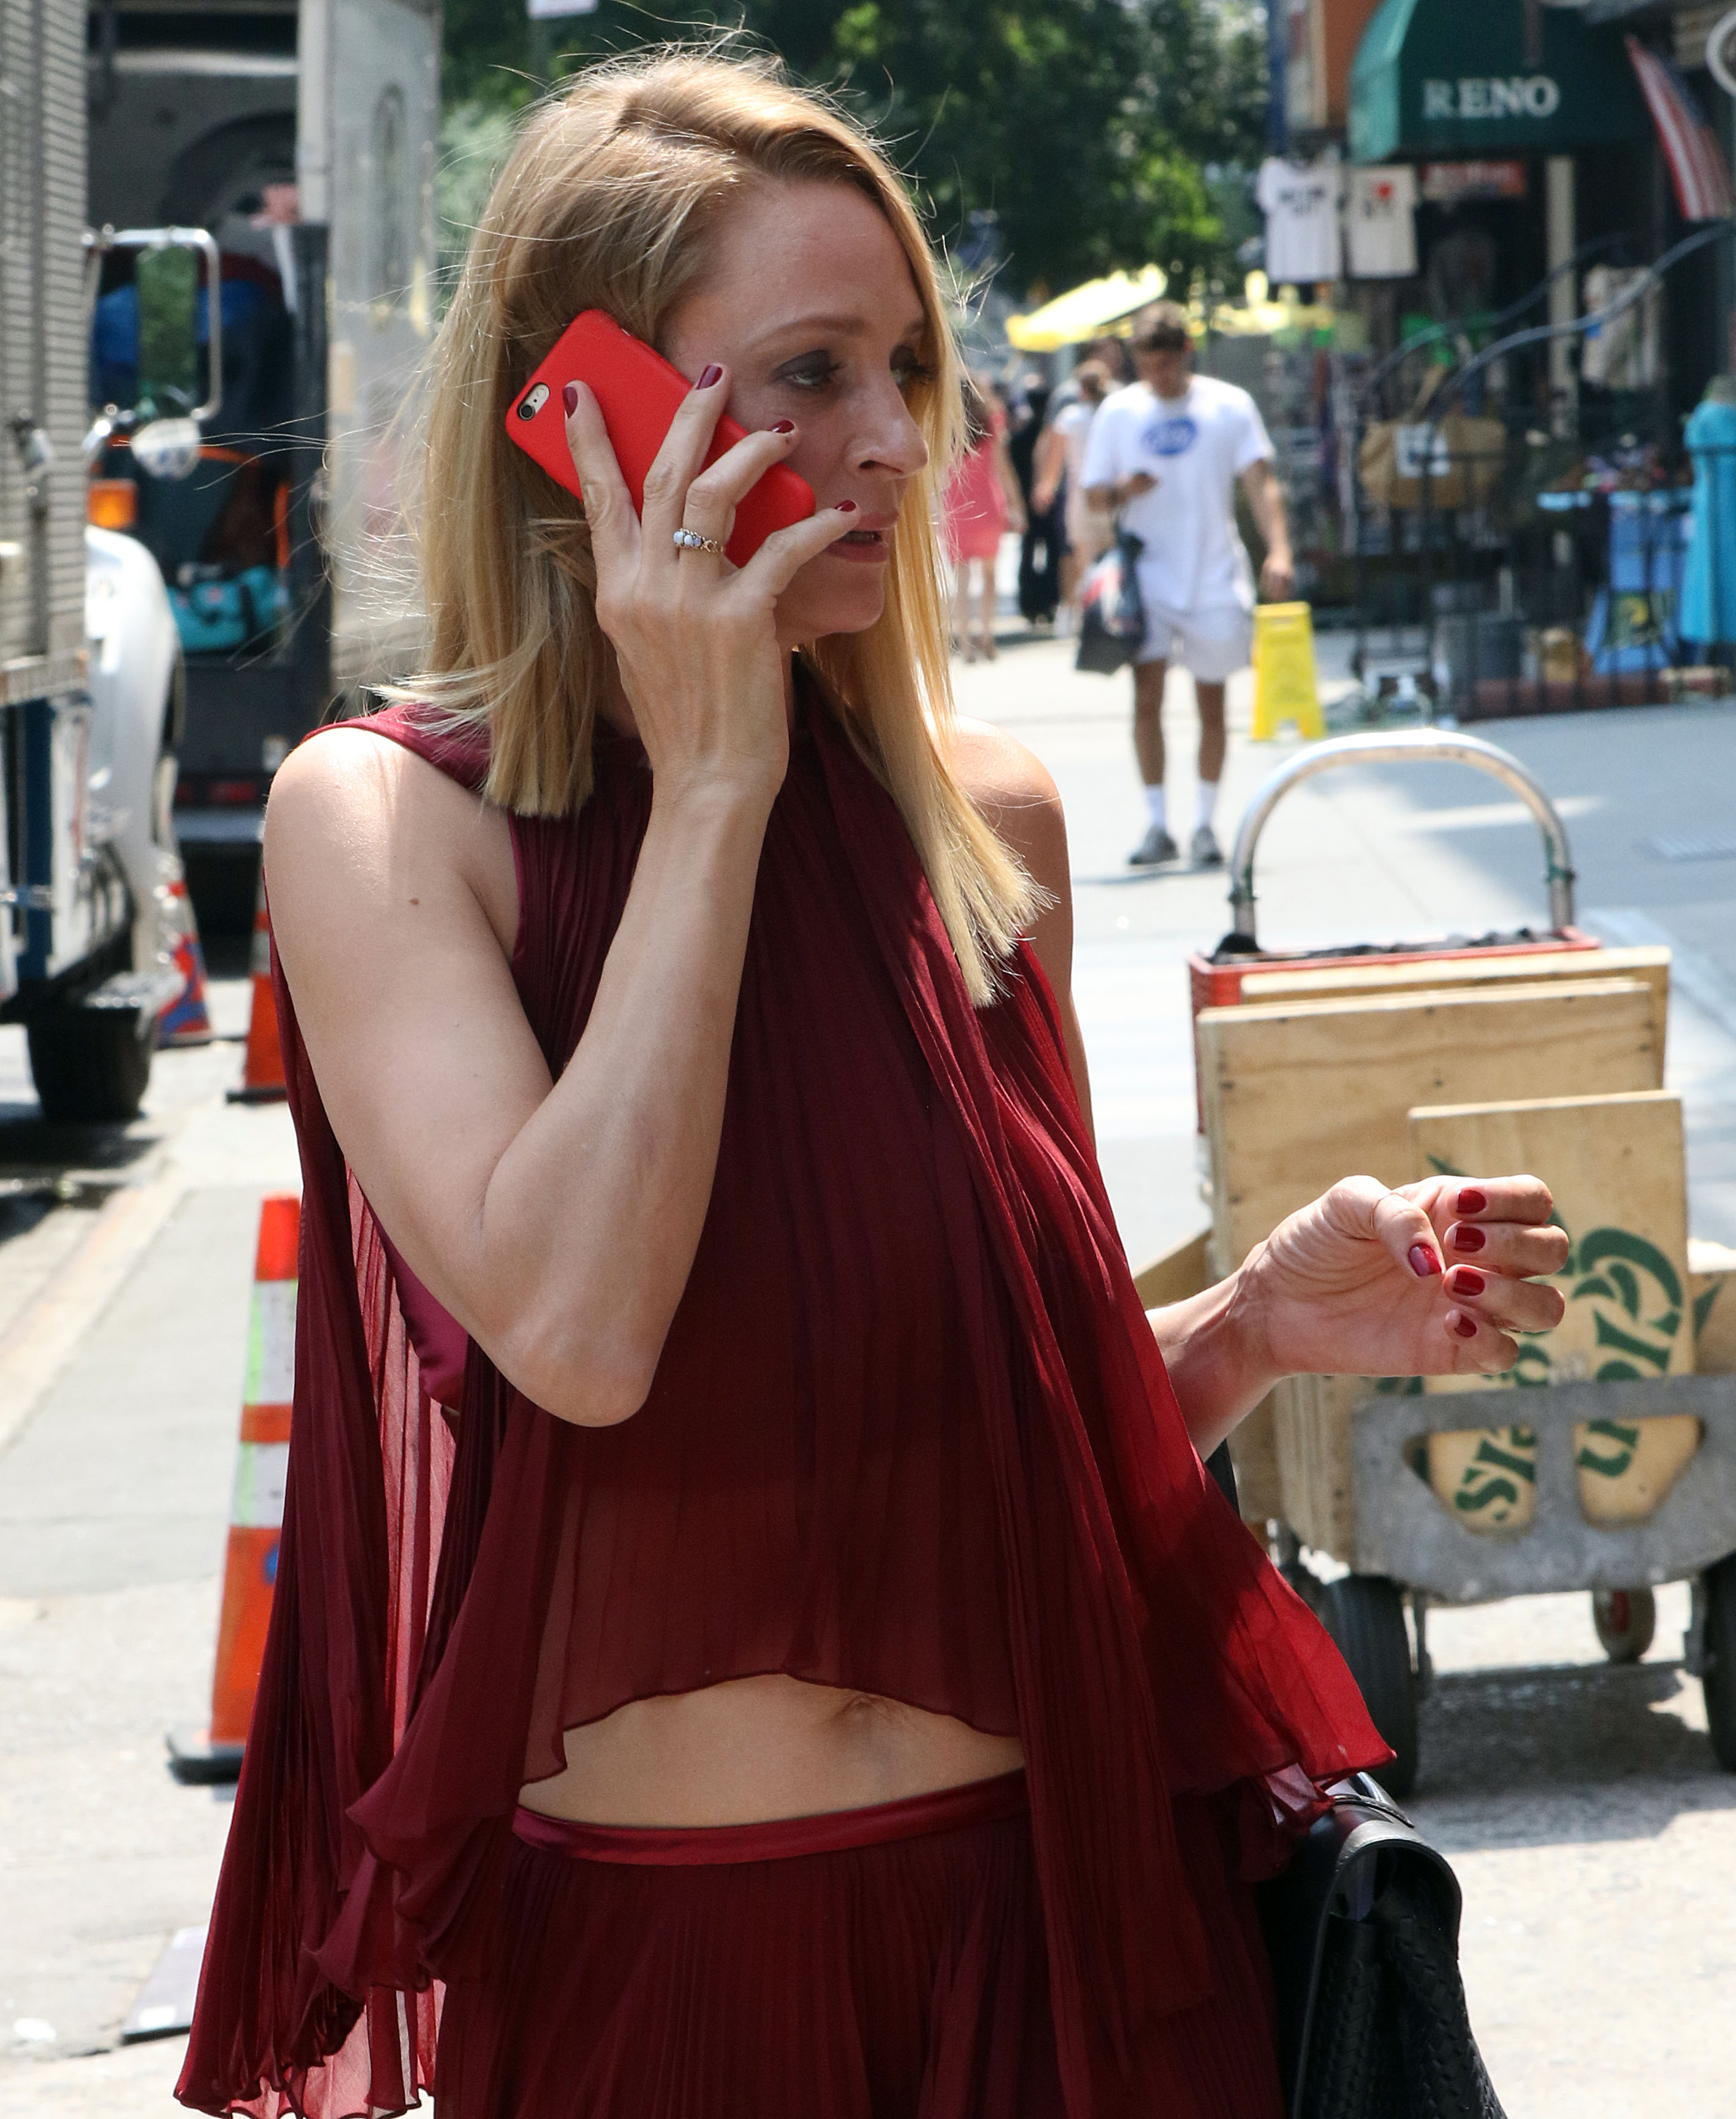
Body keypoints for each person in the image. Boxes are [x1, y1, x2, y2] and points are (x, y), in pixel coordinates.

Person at [177, 51, 1569, 2119]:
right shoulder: (384, 825)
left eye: (910, 367)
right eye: (811, 373)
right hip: (676, 1977)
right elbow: (581, 1331)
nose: (900, 441)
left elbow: (979, 1462)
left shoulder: (981, 817)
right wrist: (712, 781)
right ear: (581, 414)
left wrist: (1253, 1330)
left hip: (1079, 1928)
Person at [1081, 302, 1294, 868]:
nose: (1159, 375)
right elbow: (1093, 496)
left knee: (1212, 701)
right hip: (1147, 576)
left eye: (1167, 364)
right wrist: (1124, 490)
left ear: (1186, 353)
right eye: (1148, 365)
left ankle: (1204, 824)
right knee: (1146, 697)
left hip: (1213, 572)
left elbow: (1261, 482)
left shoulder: (1229, 405)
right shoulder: (1120, 412)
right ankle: (1158, 825)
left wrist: (1279, 549)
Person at [941, 373, 1024, 659]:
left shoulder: (945, 426)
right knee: (990, 576)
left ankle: (965, 645)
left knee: (961, 581)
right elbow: (1003, 469)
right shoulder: (991, 422)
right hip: (988, 504)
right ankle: (988, 636)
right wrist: (1017, 506)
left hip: (957, 506)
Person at [1032, 358, 1113, 631]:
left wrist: (1045, 489)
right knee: (1114, 560)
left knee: (1085, 563)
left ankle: (1089, 622)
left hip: (1081, 499)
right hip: (1113, 497)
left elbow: (1054, 464)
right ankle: (1111, 617)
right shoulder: (1113, 414)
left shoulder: (1070, 418)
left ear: (1081, 389)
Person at [1008, 373, 1061, 628]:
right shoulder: (1052, 436)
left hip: (1027, 504)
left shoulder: (1018, 439)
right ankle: (1049, 602)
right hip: (1051, 504)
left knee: (1027, 553)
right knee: (1052, 552)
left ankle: (1029, 604)